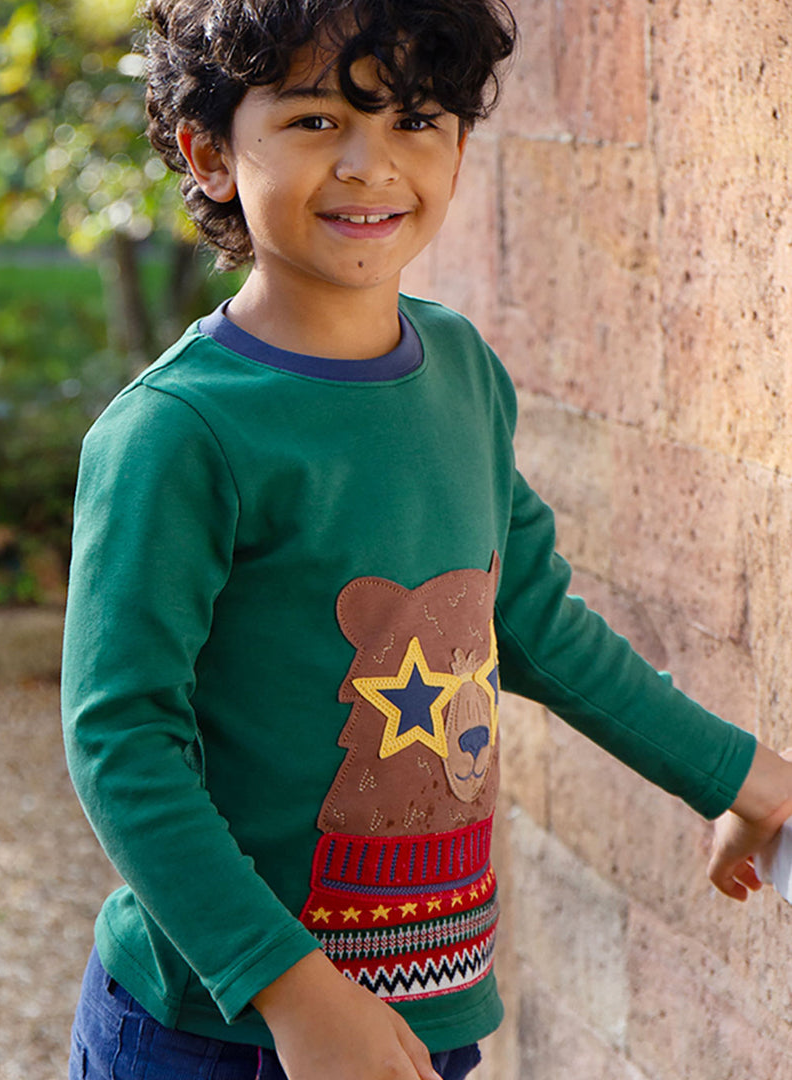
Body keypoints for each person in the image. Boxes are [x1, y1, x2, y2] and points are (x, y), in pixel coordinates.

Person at [60, 1, 792, 1077]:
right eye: (315, 122)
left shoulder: (459, 370)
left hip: (430, 1011)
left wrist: (747, 783)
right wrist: (296, 993)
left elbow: (534, 625)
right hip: (215, 1029)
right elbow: (122, 742)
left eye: (416, 120)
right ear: (210, 154)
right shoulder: (176, 434)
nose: (371, 165)